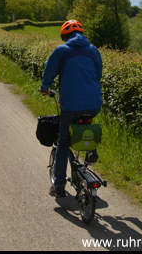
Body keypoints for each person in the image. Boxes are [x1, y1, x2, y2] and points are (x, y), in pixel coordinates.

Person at [40, 20, 103, 198]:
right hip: (94, 103)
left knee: (63, 143)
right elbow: (98, 75)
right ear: (82, 34)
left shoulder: (62, 51)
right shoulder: (93, 50)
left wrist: (45, 87)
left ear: (64, 36)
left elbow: (49, 71)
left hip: (71, 105)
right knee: (86, 122)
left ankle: (59, 185)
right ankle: (91, 149)